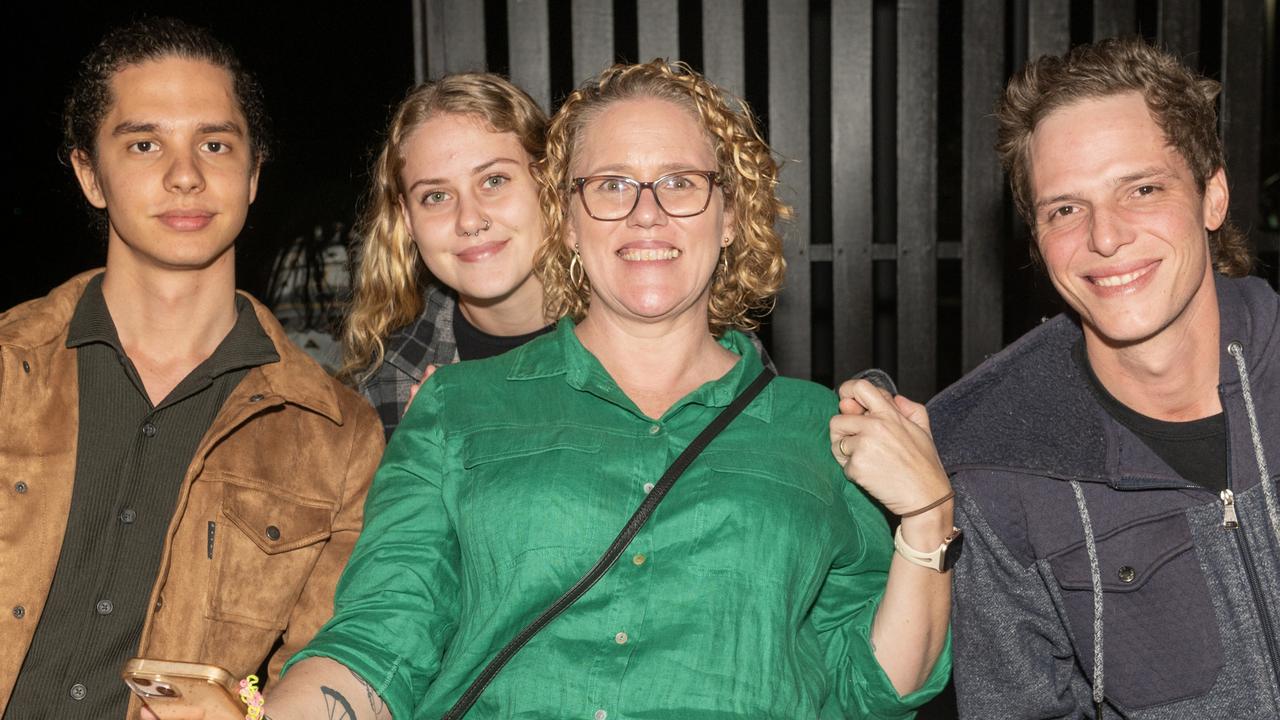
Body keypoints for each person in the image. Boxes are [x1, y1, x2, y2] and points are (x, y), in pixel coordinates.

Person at [264, 60, 952, 719]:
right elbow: (382, 638)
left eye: (680, 182)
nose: (646, 214)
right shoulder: (453, 407)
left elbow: (873, 688)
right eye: (612, 185)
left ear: (731, 214)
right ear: (565, 216)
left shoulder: (818, 428)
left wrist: (927, 517)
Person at [0, 17, 382, 718]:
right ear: (90, 174)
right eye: (145, 144)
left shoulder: (335, 435)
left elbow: (332, 663)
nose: (185, 175)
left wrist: (248, 713)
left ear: (254, 173)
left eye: (214, 144)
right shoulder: (7, 369)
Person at [927, 37, 1279, 718]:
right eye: (1065, 209)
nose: (1106, 237)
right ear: (1036, 239)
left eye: (1142, 189)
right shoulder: (996, 462)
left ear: (1213, 197)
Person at [341, 74, 556, 440]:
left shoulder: (643, 337)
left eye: (494, 180)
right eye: (436, 196)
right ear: (407, 219)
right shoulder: (388, 380)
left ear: (547, 181)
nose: (470, 220)